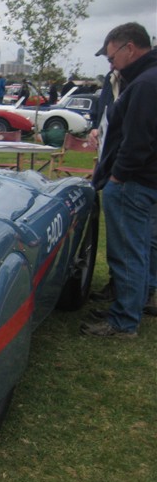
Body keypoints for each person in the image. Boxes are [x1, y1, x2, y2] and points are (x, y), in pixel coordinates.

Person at [82, 22, 157, 338]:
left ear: (130, 48)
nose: (111, 65)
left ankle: (124, 321)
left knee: (128, 251)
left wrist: (117, 176)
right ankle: (137, 302)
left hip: (133, 181)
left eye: (112, 58)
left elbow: (138, 140)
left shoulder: (143, 85)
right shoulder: (147, 79)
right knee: (144, 246)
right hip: (146, 180)